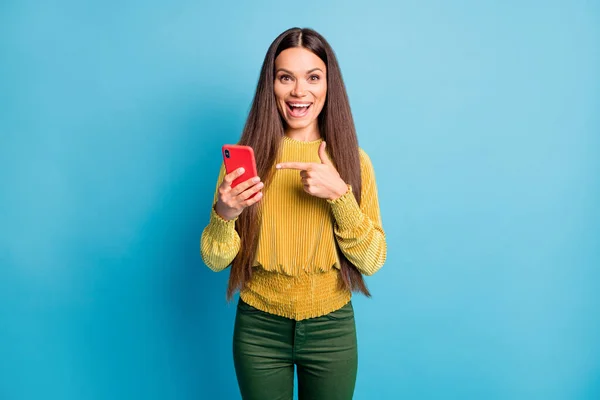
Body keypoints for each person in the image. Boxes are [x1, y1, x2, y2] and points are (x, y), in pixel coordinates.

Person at [200, 27, 387, 400]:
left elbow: (373, 260)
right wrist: (225, 213)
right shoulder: (244, 161)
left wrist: (340, 197)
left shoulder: (353, 162)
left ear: (329, 85)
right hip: (259, 328)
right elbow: (213, 260)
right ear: (271, 86)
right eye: (286, 77)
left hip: (330, 328)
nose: (299, 91)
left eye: (313, 77)